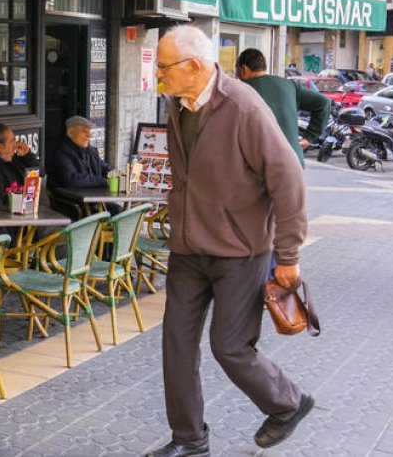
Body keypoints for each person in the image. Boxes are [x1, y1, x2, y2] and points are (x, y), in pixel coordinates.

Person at [147, 26, 313, 457]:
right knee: (177, 345)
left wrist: (288, 255)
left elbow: (289, 178)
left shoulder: (243, 107)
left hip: (240, 252)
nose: (159, 75)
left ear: (196, 67)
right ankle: (189, 440)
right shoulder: (176, 104)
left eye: (165, 67)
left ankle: (288, 403)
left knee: (231, 347)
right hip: (188, 250)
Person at [235, 48, 331, 167]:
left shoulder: (241, 90)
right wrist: (310, 137)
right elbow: (324, 102)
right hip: (293, 164)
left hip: (263, 167)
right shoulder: (289, 85)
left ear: (244, 69)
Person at [48, 116, 121, 216]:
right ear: (70, 133)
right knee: (113, 213)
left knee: (119, 210)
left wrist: (120, 175)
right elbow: (73, 180)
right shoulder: (62, 153)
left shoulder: (91, 151)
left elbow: (105, 168)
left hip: (92, 203)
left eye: (89, 132)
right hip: (71, 206)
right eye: (84, 131)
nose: (89, 135)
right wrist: (104, 181)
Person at [0, 123, 41, 207]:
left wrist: (27, 155)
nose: (15, 145)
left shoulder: (14, 159)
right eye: (11, 141)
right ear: (0, 147)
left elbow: (40, 174)